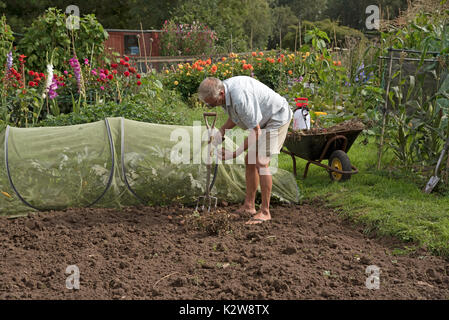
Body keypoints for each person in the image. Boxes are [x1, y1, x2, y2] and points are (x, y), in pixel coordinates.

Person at [198, 76, 292, 225]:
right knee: (250, 160)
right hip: (262, 120)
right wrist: (222, 130)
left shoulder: (240, 98)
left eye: (213, 103)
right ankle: (249, 206)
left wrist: (234, 153)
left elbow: (256, 131)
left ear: (221, 94)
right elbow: (236, 117)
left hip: (276, 117)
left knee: (261, 161)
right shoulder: (224, 92)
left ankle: (265, 212)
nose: (213, 106)